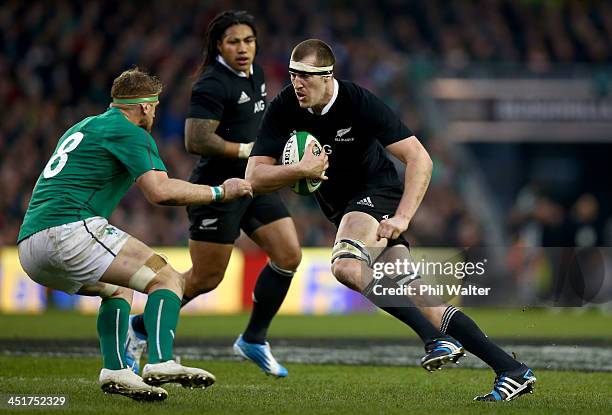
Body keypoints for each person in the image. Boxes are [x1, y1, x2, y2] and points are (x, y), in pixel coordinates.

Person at [246, 39, 537, 402]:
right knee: (416, 293)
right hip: (342, 208)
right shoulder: (285, 106)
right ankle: (510, 370)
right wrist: (298, 170)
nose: (297, 84)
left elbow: (420, 159)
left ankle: (435, 340)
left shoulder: (358, 102)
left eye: (305, 76)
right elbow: (254, 177)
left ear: (327, 76)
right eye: (292, 76)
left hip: (377, 194)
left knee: (347, 266)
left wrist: (403, 216)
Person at [17, 68, 252, 401]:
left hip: (30, 247)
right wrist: (220, 192)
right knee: (167, 277)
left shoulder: (82, 126)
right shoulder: (130, 131)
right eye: (154, 106)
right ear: (144, 107)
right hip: (68, 230)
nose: (154, 112)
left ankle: (115, 369)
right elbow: (160, 192)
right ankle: (161, 361)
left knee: (117, 290)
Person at [125, 10, 300, 378]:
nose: (243, 48)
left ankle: (254, 338)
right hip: (217, 190)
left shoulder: (258, 73)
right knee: (206, 279)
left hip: (254, 183)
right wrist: (246, 151)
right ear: (219, 45)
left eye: (248, 40)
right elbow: (196, 139)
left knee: (289, 254)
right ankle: (139, 327)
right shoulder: (211, 83)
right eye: (234, 41)